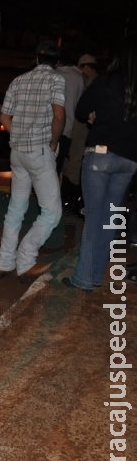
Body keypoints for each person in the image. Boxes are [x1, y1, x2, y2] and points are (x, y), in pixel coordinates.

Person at [64, 35, 137, 291]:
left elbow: (82, 110)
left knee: (94, 219)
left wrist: (98, 116)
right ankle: (94, 276)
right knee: (110, 220)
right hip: (129, 161)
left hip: (100, 156)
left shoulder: (106, 82)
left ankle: (83, 279)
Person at [0, 40, 66, 282]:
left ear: (36, 58)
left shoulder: (18, 80)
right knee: (52, 212)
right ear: (56, 62)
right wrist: (54, 141)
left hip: (18, 153)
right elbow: (58, 115)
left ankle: (4, 261)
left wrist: (18, 133)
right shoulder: (56, 80)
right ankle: (25, 260)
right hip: (39, 151)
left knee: (16, 207)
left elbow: (4, 116)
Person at [60, 54, 99, 215]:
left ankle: (67, 199)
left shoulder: (76, 79)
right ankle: (68, 200)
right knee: (74, 164)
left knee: (72, 164)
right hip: (78, 129)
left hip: (73, 129)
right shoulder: (82, 81)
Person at [55, 55, 86, 174]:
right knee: (57, 165)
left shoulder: (53, 73)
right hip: (67, 128)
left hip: (49, 127)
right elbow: (80, 103)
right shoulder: (78, 77)